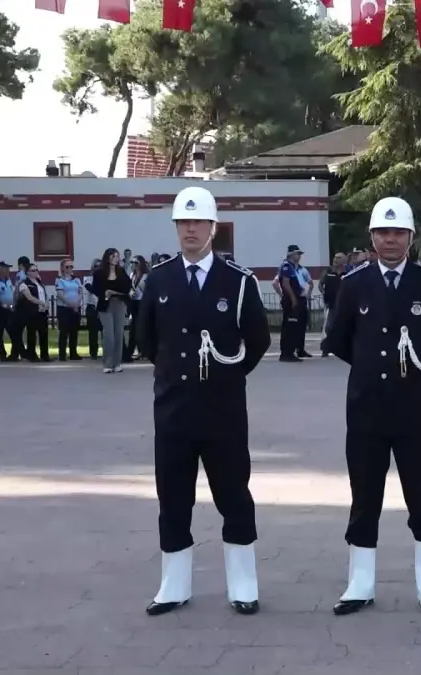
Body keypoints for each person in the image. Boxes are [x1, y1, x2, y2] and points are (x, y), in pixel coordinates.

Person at [322, 196, 421, 617]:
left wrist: (419, 369)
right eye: (383, 232)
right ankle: (360, 583)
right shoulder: (354, 285)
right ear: (371, 237)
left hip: (416, 411)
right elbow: (338, 339)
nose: (390, 239)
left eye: (398, 232)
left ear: (410, 237)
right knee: (364, 495)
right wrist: (372, 367)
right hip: (366, 409)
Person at [137, 186, 271, 617]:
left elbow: (257, 340)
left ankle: (244, 585)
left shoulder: (238, 281)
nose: (190, 229)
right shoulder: (158, 280)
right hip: (174, 410)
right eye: (183, 223)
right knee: (173, 499)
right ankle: (173, 587)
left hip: (223, 412)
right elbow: (146, 341)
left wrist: (224, 378)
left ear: (213, 228)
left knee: (234, 496)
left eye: (197, 222)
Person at [93, 248, 133, 373]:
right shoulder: (99, 273)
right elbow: (95, 288)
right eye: (113, 256)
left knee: (118, 333)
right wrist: (105, 293)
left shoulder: (121, 272)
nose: (116, 258)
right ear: (108, 257)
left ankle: (117, 363)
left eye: (117, 256)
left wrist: (114, 292)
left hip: (119, 304)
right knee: (109, 334)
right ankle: (107, 363)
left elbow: (127, 287)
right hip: (105, 305)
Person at [273, 246, 303, 362]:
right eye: (297, 254)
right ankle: (287, 353)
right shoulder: (286, 266)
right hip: (290, 301)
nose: (299, 256)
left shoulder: (291, 267)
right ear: (291, 254)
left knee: (292, 326)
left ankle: (289, 351)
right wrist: (293, 298)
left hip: (292, 299)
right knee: (290, 327)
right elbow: (286, 284)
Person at [16, 264, 51, 362]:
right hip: (31, 312)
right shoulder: (24, 284)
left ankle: (45, 355)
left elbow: (45, 295)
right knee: (32, 334)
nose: (36, 272)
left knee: (44, 334)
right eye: (33, 270)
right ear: (27, 272)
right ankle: (31, 355)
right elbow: (29, 297)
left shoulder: (39, 283)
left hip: (42, 312)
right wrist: (41, 303)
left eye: (36, 270)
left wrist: (46, 303)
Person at [55, 260, 84, 360]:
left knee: (74, 331)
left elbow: (80, 292)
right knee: (64, 332)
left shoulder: (76, 280)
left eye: (71, 267)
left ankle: (73, 353)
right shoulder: (59, 280)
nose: (69, 269)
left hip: (76, 308)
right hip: (64, 308)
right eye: (67, 267)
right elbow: (60, 294)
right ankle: (62, 354)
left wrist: (77, 303)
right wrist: (70, 304)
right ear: (62, 268)